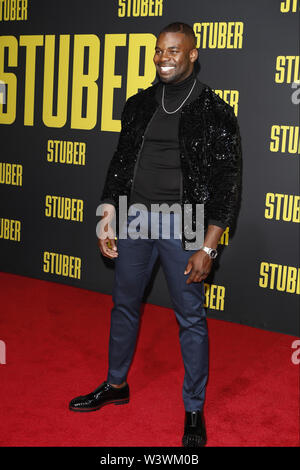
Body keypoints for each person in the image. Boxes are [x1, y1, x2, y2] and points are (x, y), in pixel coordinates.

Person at [69, 22, 242, 448]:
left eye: (173, 51)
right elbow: (120, 162)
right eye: (159, 51)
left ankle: (194, 407)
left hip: (184, 223)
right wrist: (106, 214)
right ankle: (115, 385)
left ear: (192, 54)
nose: (164, 58)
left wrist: (208, 245)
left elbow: (227, 184)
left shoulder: (214, 111)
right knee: (124, 305)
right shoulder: (139, 104)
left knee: (190, 319)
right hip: (134, 219)